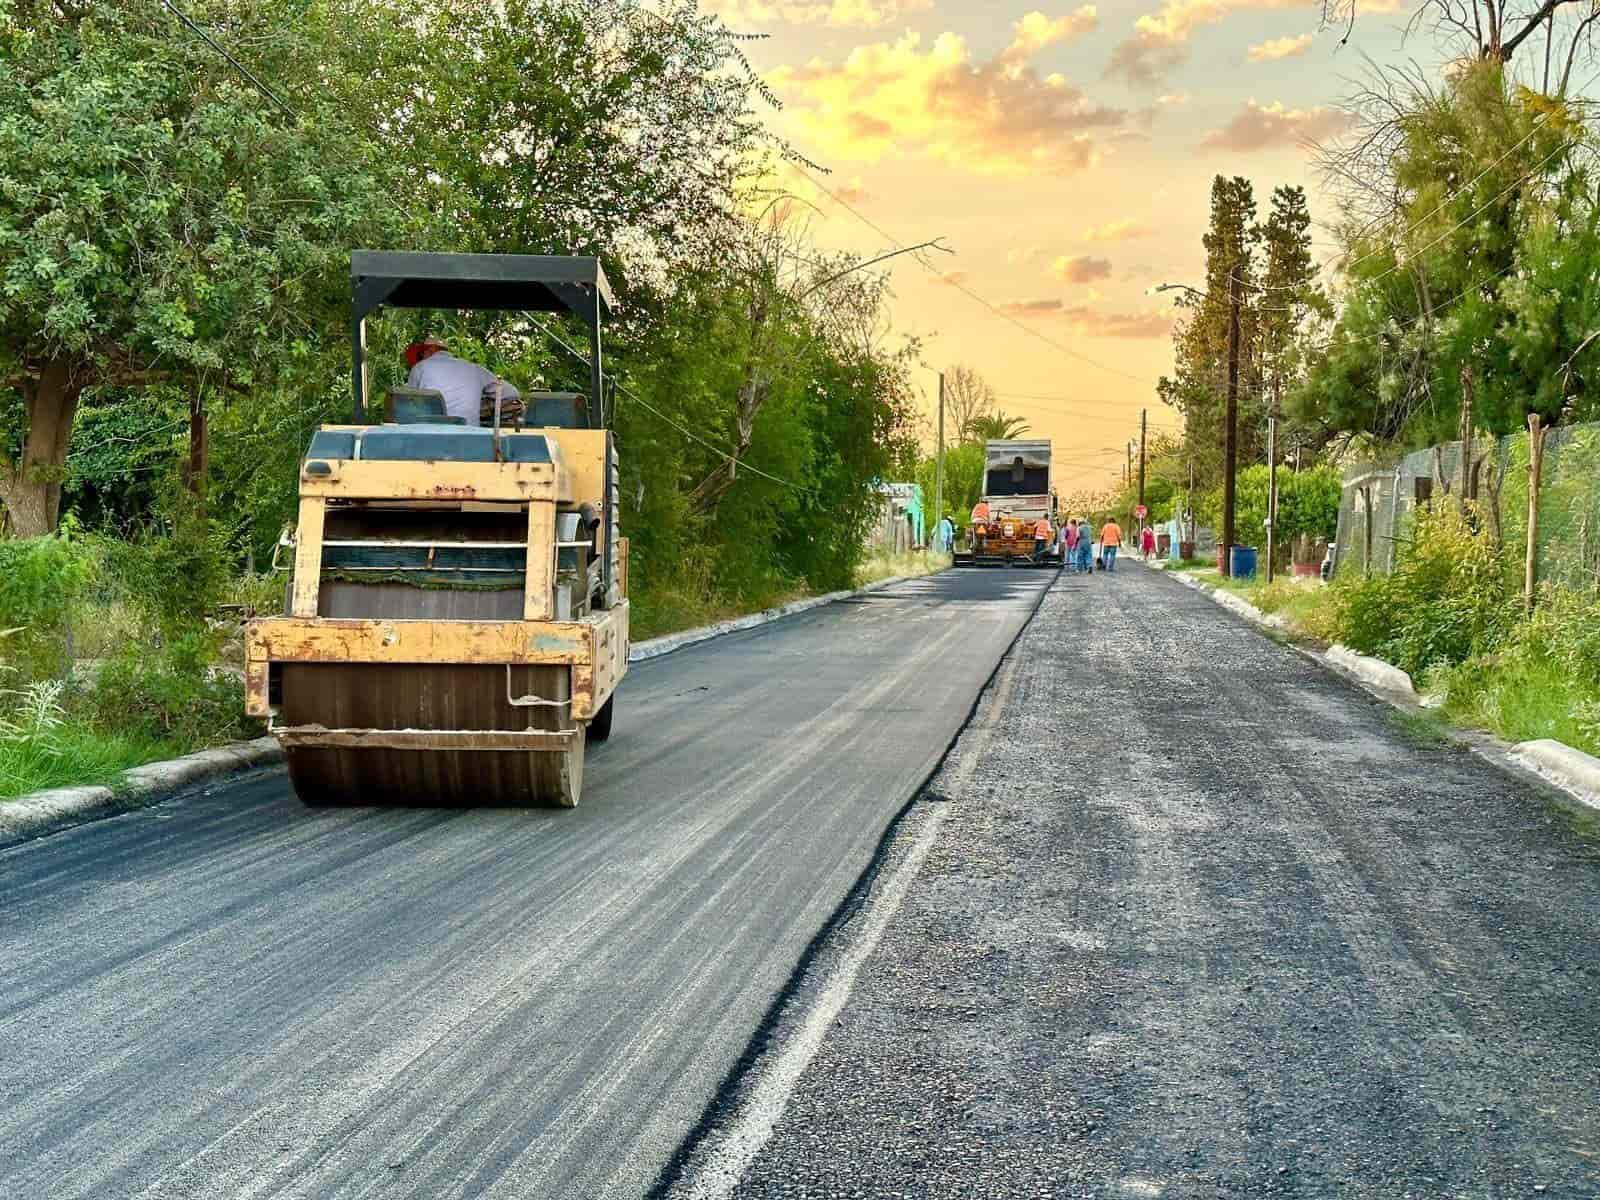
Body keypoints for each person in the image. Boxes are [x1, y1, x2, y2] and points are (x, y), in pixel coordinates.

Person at [405, 334, 520, 427]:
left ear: (430, 350)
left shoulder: (420, 367)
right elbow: (512, 392)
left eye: (421, 354)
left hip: (430, 434)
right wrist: (483, 402)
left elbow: (409, 403)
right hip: (469, 435)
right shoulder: (473, 368)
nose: (420, 358)